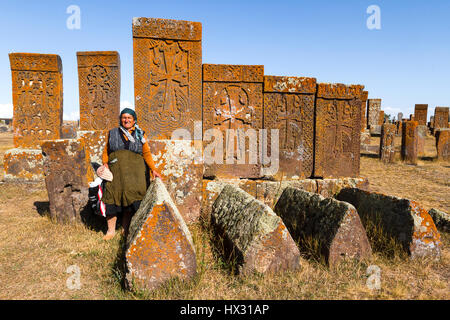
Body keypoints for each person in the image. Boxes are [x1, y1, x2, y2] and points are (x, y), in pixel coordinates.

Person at [100, 108, 162, 240]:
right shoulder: (113, 133)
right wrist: (105, 163)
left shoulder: (140, 134)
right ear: (120, 119)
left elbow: (146, 153)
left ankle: (126, 229)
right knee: (112, 197)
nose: (126, 120)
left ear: (134, 120)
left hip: (135, 172)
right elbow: (106, 150)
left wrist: (153, 169)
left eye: (129, 118)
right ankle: (110, 231)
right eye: (124, 118)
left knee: (131, 199)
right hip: (115, 171)